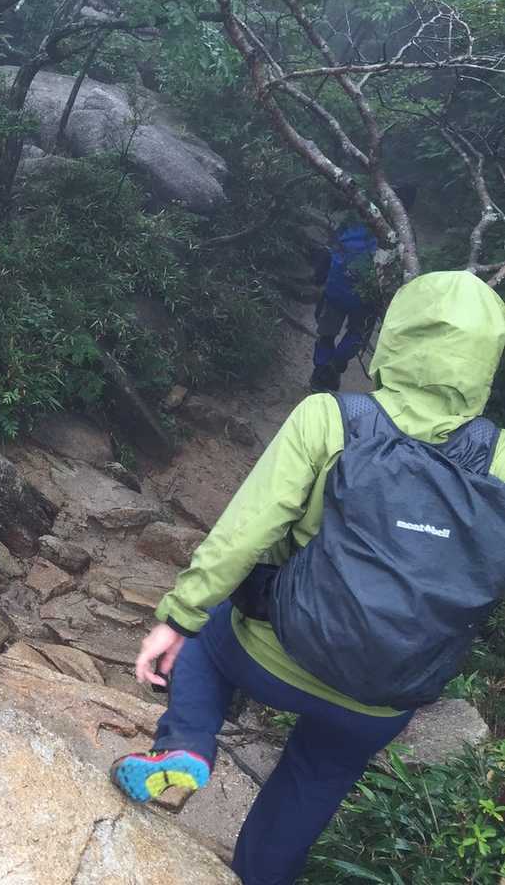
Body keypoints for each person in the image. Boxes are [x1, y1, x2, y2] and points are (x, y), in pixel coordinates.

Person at [110, 270, 505, 885]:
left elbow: (244, 534)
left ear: (396, 334)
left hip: (275, 653)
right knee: (315, 778)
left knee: (208, 632)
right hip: (391, 690)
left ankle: (184, 745)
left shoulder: (333, 417)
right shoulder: (499, 455)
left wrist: (176, 619)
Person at [309, 185, 416, 393]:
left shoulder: (357, 219)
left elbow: (333, 247)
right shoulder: (403, 236)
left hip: (336, 289)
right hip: (366, 298)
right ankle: (334, 367)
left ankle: (320, 371)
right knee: (356, 333)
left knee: (327, 333)